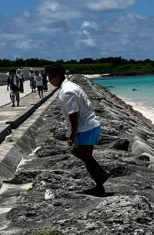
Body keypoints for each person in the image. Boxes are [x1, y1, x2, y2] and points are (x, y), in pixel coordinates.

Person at [45, 64, 109, 196]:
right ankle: (100, 182)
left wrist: (72, 134)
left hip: (85, 127)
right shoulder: (70, 87)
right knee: (84, 156)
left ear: (57, 76)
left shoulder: (67, 91)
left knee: (82, 154)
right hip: (88, 125)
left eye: (50, 78)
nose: (49, 81)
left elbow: (73, 114)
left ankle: (102, 177)